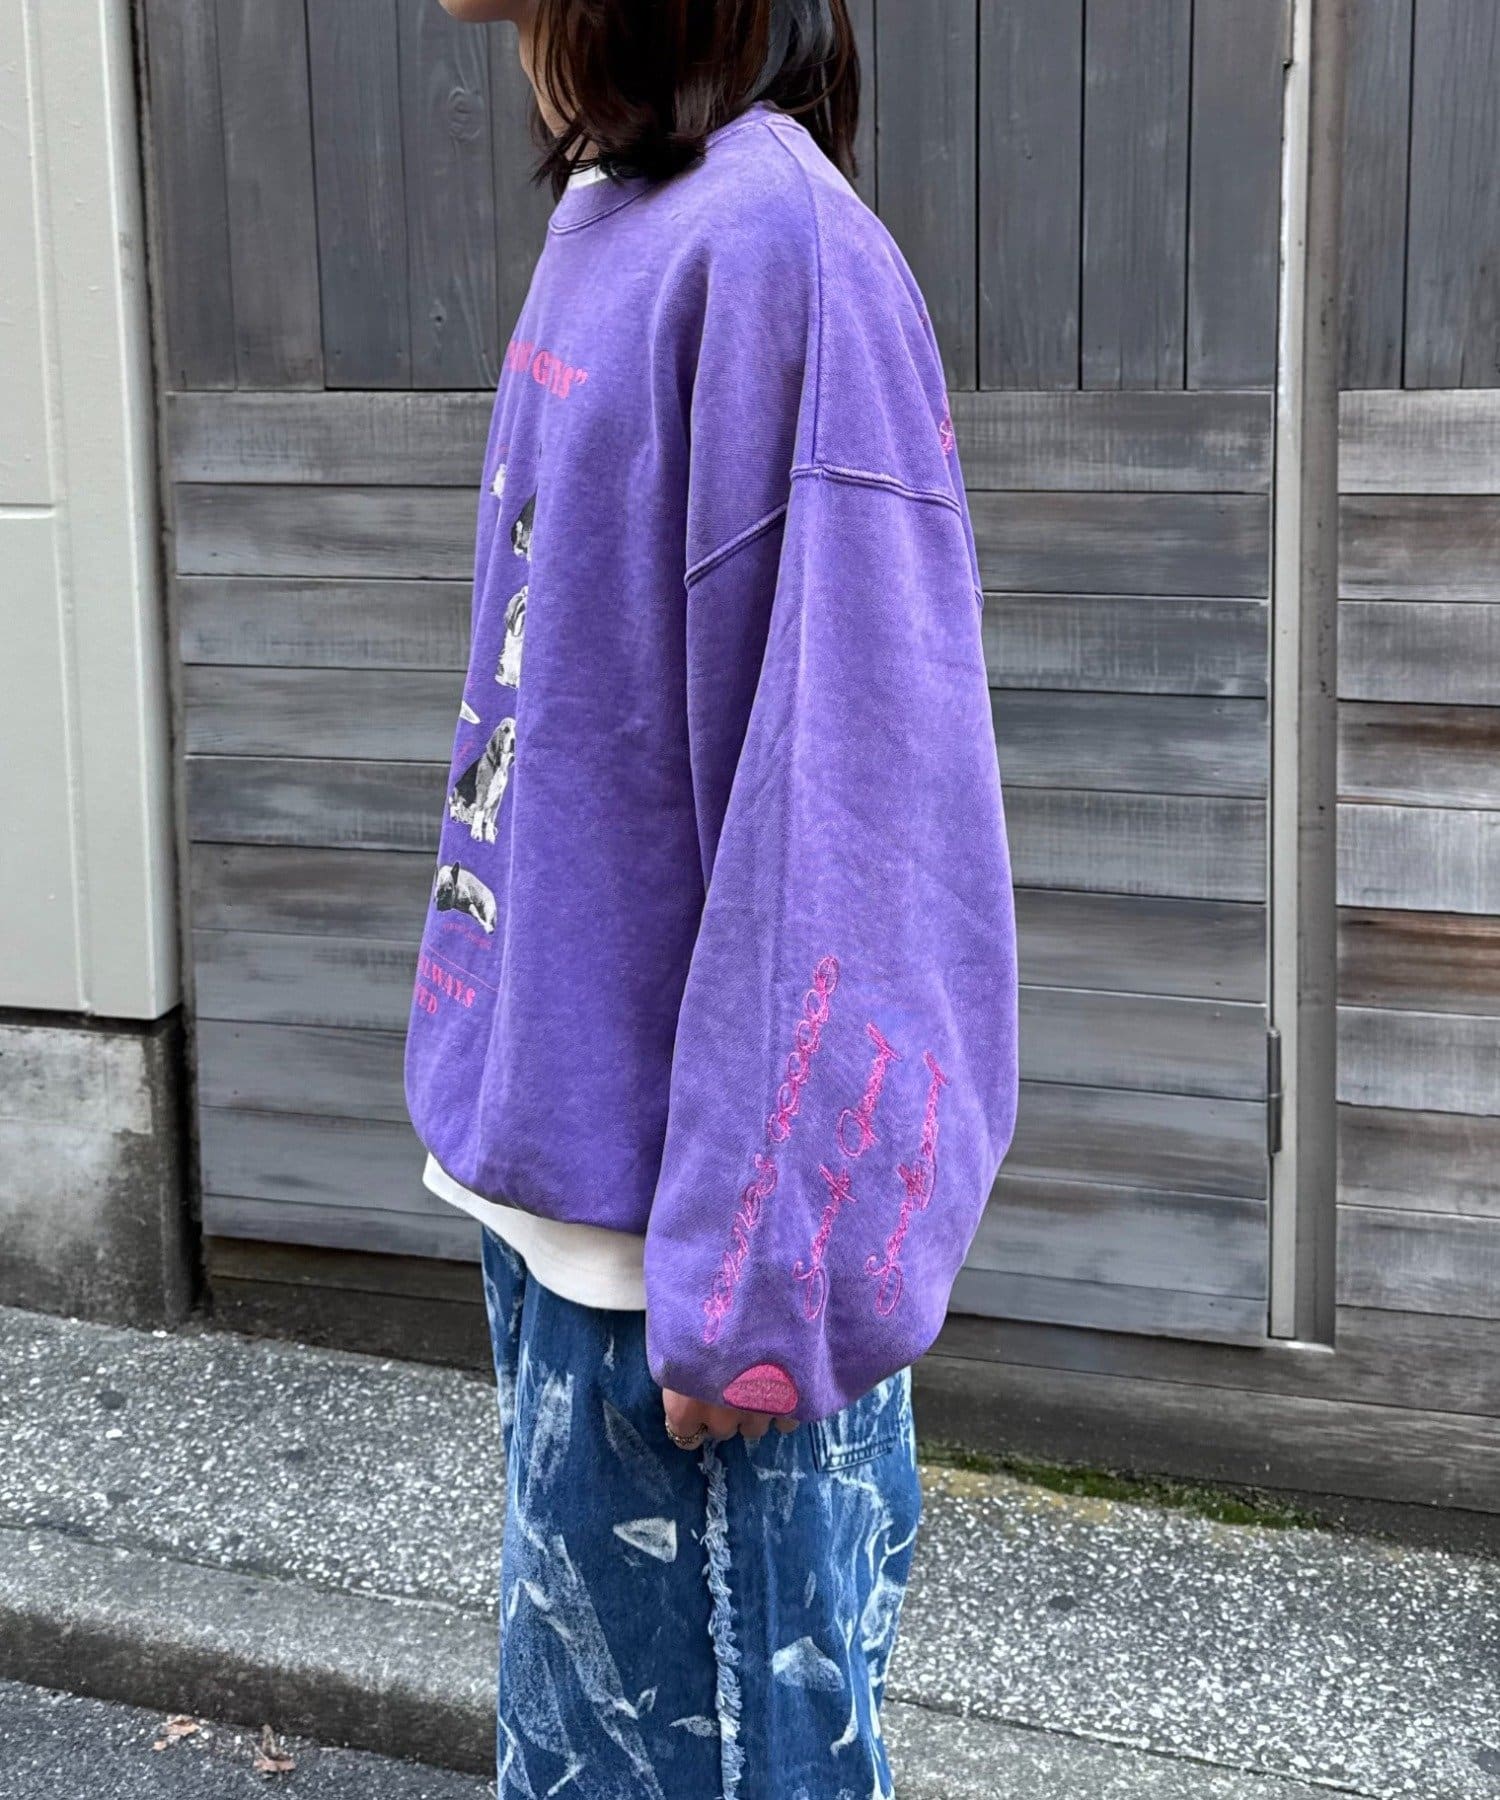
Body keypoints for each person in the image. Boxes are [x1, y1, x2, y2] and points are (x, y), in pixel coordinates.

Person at [406, 2, 1018, 1793]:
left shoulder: (777, 251)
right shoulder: (623, 214)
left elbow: (861, 821)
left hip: (691, 1298)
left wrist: (761, 1294)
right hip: (571, 1220)